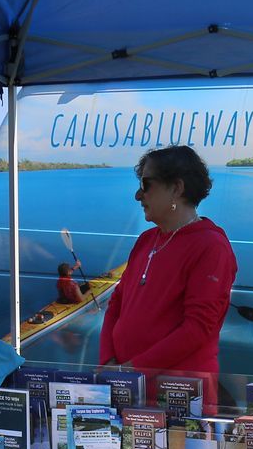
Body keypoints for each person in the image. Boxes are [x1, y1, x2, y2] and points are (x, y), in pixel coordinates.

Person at [98, 145, 237, 407]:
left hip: (178, 395)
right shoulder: (146, 240)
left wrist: (133, 369)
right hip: (128, 387)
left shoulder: (211, 246)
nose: (138, 195)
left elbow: (197, 328)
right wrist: (108, 362)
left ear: (176, 188)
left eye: (146, 184)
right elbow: (116, 304)